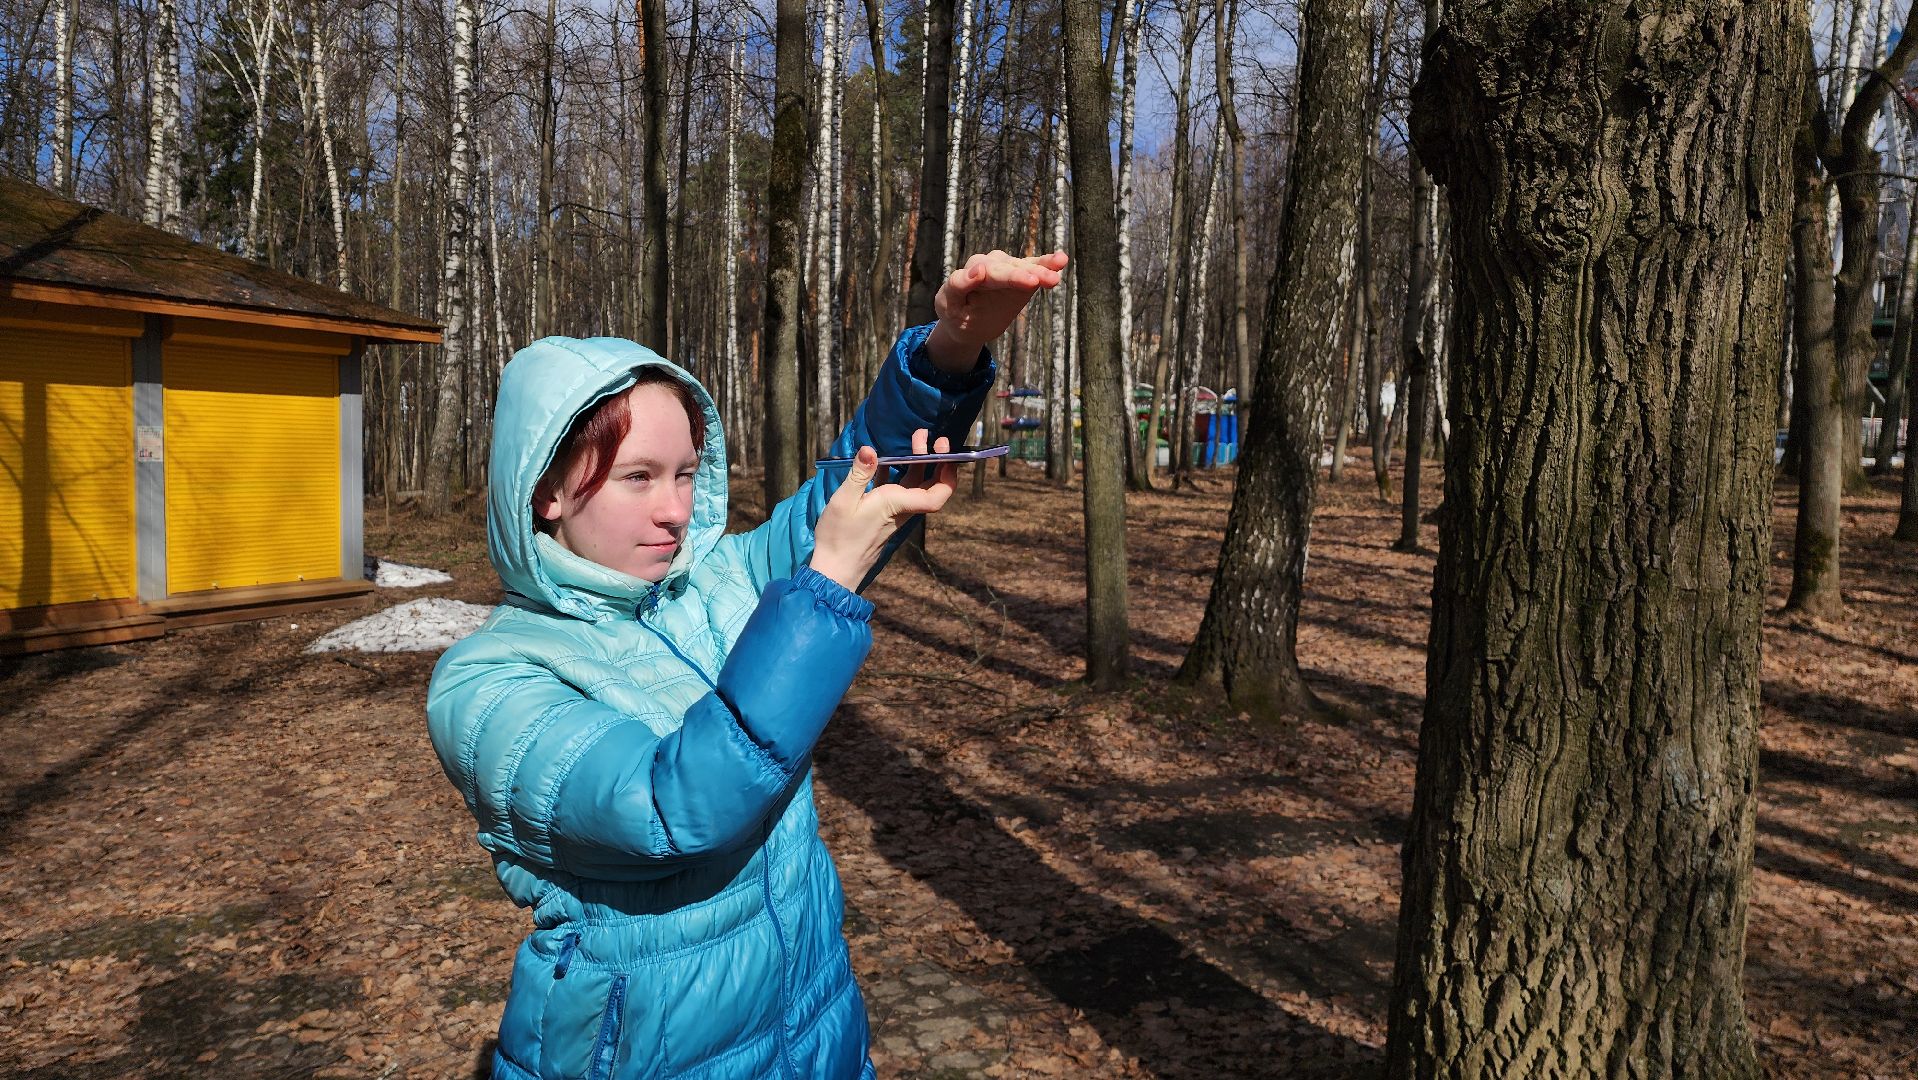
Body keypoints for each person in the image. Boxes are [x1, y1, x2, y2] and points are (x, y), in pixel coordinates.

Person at [426, 250, 1069, 1080]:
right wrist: (824, 587)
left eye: (687, 473)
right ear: (546, 490)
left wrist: (950, 350)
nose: (675, 509)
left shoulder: (718, 581)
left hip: (813, 1020)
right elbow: (673, 807)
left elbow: (857, 483)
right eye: (639, 478)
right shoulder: (489, 681)